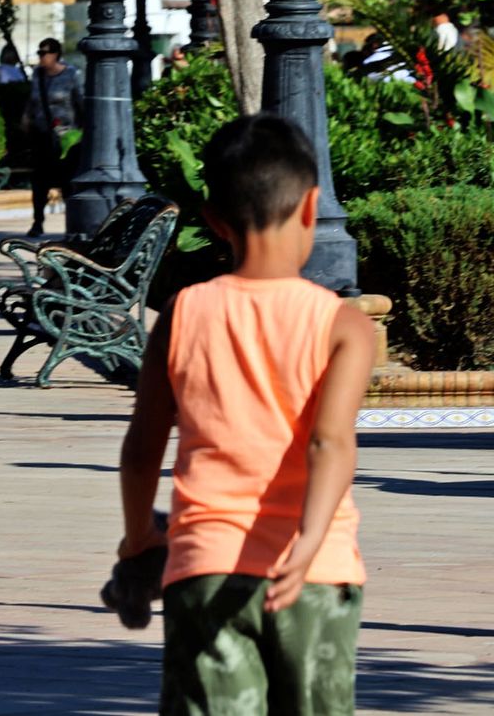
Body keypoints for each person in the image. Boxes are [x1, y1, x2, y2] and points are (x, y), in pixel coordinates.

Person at [116, 114, 374, 715]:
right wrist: (308, 543)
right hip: (315, 572)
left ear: (213, 222)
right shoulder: (345, 325)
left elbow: (142, 446)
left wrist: (139, 539)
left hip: (205, 565)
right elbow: (329, 444)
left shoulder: (182, 314)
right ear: (312, 208)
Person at [21, 37, 82, 237]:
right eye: (39, 53)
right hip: (41, 137)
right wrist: (26, 122)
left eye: (44, 53)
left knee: (67, 183)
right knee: (39, 183)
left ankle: (72, 224)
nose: (41, 57)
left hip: (65, 139)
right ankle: (38, 221)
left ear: (55, 54)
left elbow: (80, 104)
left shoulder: (72, 75)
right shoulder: (37, 75)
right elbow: (32, 102)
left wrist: (83, 132)